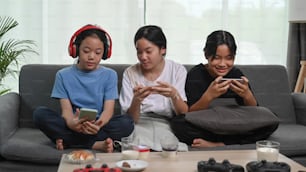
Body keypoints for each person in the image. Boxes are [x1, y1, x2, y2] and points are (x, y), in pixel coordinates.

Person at [33, 24, 134, 152]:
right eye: (86, 51)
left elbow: (108, 110)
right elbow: (66, 111)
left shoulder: (110, 75)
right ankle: (94, 144)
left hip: (98, 125)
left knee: (127, 123)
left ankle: (70, 142)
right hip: (74, 124)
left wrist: (98, 125)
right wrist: (72, 124)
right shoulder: (63, 75)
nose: (91, 56)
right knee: (40, 114)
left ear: (105, 53)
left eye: (98, 52)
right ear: (75, 50)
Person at [171, 30, 258, 148]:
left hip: (231, 123)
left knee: (270, 120)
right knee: (178, 124)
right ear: (207, 55)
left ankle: (219, 144)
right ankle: (230, 141)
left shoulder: (236, 74)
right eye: (217, 58)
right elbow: (190, 113)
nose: (223, 64)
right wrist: (209, 96)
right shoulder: (196, 74)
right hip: (208, 125)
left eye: (229, 58)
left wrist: (247, 95)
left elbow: (255, 111)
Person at [119, 25, 189, 151]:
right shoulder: (130, 73)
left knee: (171, 144)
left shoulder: (177, 70)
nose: (143, 57)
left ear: (162, 49)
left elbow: (183, 113)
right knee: (134, 141)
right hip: (138, 122)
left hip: (166, 122)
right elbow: (131, 120)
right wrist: (137, 100)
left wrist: (174, 95)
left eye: (148, 51)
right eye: (139, 51)